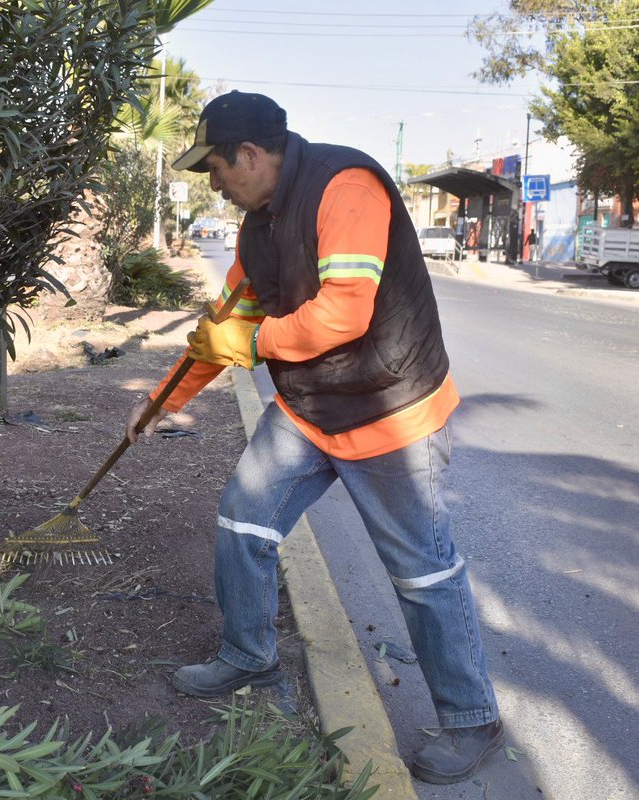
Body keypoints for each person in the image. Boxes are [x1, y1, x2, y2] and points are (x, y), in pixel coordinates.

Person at [124, 91, 502, 785]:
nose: (213, 183)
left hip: (393, 411)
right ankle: (247, 653)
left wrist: (256, 338)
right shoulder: (256, 228)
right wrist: (160, 402)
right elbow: (221, 330)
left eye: (214, 167)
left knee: (422, 572)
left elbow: (344, 314)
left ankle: (471, 716)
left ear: (250, 154)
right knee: (243, 519)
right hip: (309, 412)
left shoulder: (346, 186)